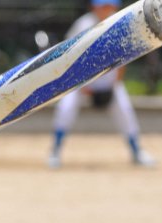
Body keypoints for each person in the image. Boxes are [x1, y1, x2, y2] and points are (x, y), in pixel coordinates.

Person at [47, 0, 156, 169]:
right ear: (94, 6)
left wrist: (114, 84)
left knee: (124, 109)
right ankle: (55, 151)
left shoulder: (119, 24)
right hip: (79, 82)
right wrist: (82, 85)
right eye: (102, 5)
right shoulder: (83, 24)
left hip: (108, 82)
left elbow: (125, 57)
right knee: (66, 108)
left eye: (108, 5)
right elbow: (69, 57)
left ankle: (137, 151)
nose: (105, 9)